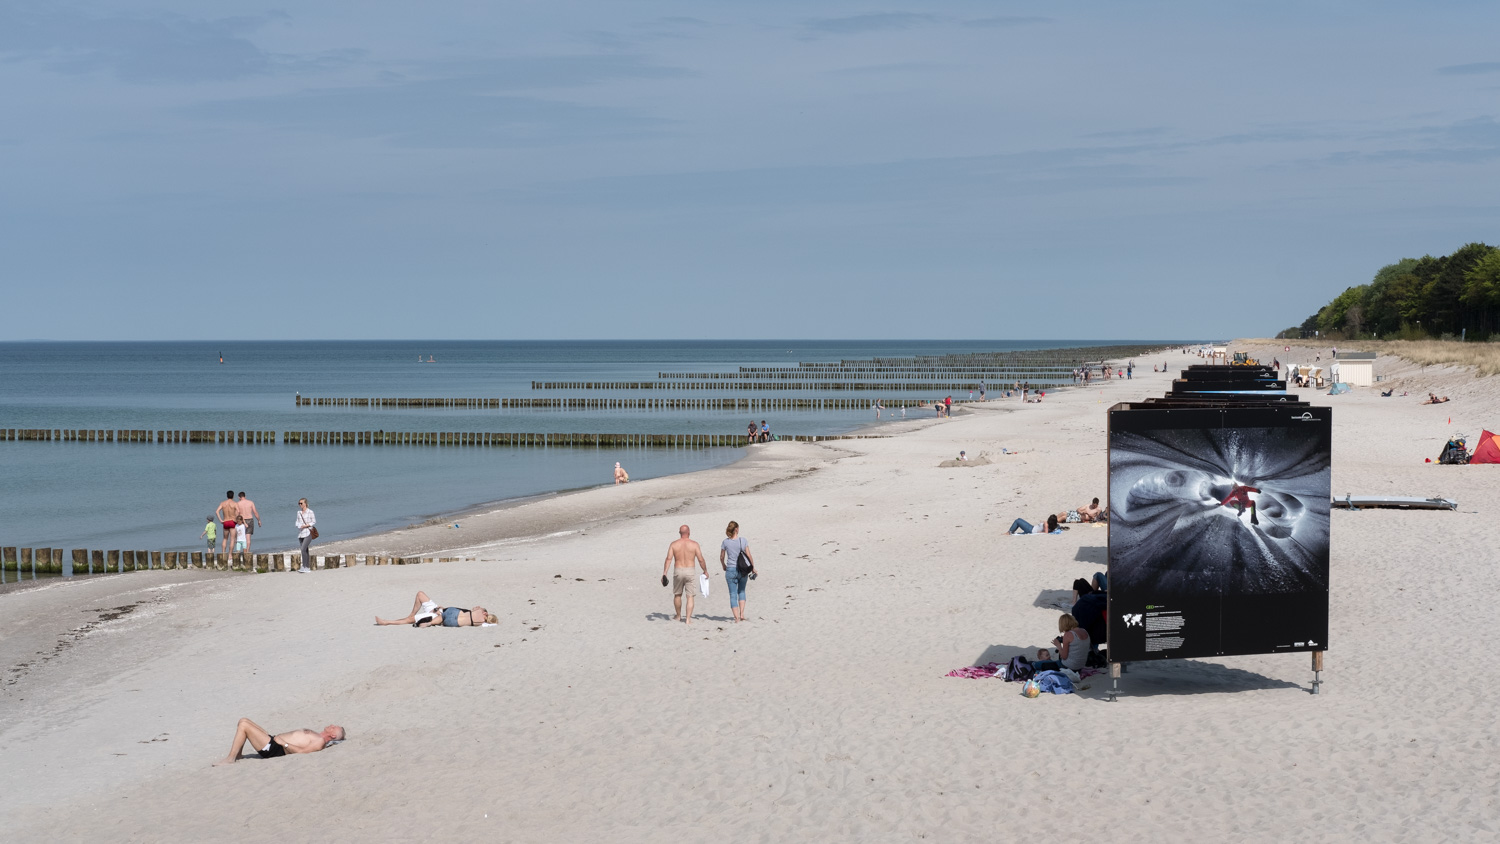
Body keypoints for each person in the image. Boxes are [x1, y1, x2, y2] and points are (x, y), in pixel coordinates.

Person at [214, 718, 344, 766]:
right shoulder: (317, 736)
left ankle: (231, 758)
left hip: (275, 749)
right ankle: (238, 755)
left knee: (243, 725)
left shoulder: (320, 741)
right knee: (245, 721)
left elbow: (302, 752)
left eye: (334, 727)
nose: (331, 725)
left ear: (332, 735)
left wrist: (284, 743)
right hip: (274, 741)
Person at [662, 524, 709, 624]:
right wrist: (705, 570)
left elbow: (668, 559)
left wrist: (664, 573)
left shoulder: (674, 544)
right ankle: (688, 619)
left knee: (677, 594)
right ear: (689, 532)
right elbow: (701, 559)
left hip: (678, 570)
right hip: (690, 570)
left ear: (680, 533)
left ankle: (678, 616)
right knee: (690, 596)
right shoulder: (694, 544)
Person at [375, 591, 497, 626]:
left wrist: (439, 614)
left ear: (484, 613)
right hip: (440, 611)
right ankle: (410, 614)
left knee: (411, 620)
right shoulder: (469, 613)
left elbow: (445, 618)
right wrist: (442, 608)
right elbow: (453, 611)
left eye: (479, 607)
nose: (476, 607)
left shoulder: (477, 615)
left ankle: (386, 622)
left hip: (437, 616)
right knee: (420, 594)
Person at [719, 520, 757, 623]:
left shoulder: (725, 542)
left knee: (732, 594)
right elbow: (749, 555)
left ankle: (736, 618)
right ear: (736, 529)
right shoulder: (743, 540)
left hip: (730, 569)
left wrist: (723, 565)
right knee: (742, 591)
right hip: (742, 569)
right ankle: (742, 614)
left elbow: (722, 556)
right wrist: (752, 568)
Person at [1070, 578, 1108, 648]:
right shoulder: (1098, 596)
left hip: (1097, 633)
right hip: (1106, 627)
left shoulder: (1083, 606)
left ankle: (1073, 601)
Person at [294, 498, 316, 572]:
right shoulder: (299, 512)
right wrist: (298, 525)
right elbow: (297, 521)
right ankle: (306, 567)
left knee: (303, 549)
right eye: (299, 503)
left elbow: (314, 521)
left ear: (305, 503)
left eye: (301, 503)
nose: (300, 505)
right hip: (301, 533)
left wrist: (306, 525)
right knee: (305, 550)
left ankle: (304, 566)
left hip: (308, 533)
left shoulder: (310, 512)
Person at [214, 491, 238, 556]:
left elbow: (217, 511)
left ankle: (223, 553)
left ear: (227, 496)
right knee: (232, 539)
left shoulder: (223, 503)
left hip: (225, 521)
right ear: (233, 496)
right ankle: (230, 555)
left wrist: (221, 520)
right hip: (232, 521)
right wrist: (236, 520)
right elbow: (238, 512)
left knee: (225, 538)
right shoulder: (235, 503)